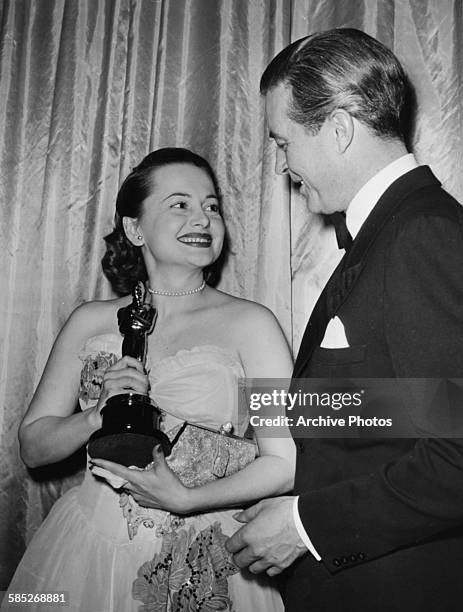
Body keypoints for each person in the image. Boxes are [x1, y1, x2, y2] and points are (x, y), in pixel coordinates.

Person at [226, 28, 463, 611]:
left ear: (340, 129)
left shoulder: (424, 236)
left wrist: (304, 526)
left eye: (282, 142)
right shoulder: (397, 232)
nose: (281, 166)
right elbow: (398, 405)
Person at [5, 148, 295, 612]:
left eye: (212, 206)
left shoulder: (251, 325)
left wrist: (187, 498)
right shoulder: (89, 322)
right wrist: (95, 416)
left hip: (204, 555)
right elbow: (33, 447)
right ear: (134, 228)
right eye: (180, 204)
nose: (202, 218)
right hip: (87, 552)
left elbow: (283, 463)